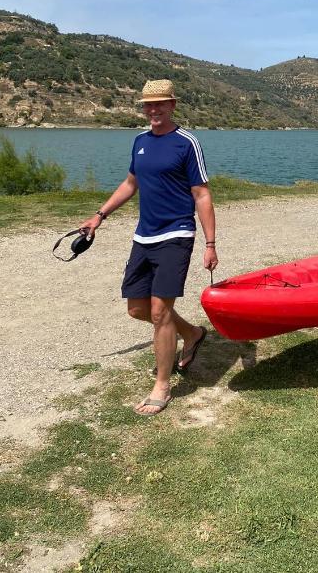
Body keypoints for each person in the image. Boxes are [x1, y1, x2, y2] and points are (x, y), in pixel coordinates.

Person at [79, 79, 218, 416]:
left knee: (159, 312)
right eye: (147, 105)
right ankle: (193, 333)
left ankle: (162, 385)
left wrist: (210, 243)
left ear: (172, 105)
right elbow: (131, 183)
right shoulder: (140, 141)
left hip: (177, 234)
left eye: (160, 104)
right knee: (137, 310)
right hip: (144, 236)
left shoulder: (186, 143)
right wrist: (99, 216)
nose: (153, 110)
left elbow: (201, 194)